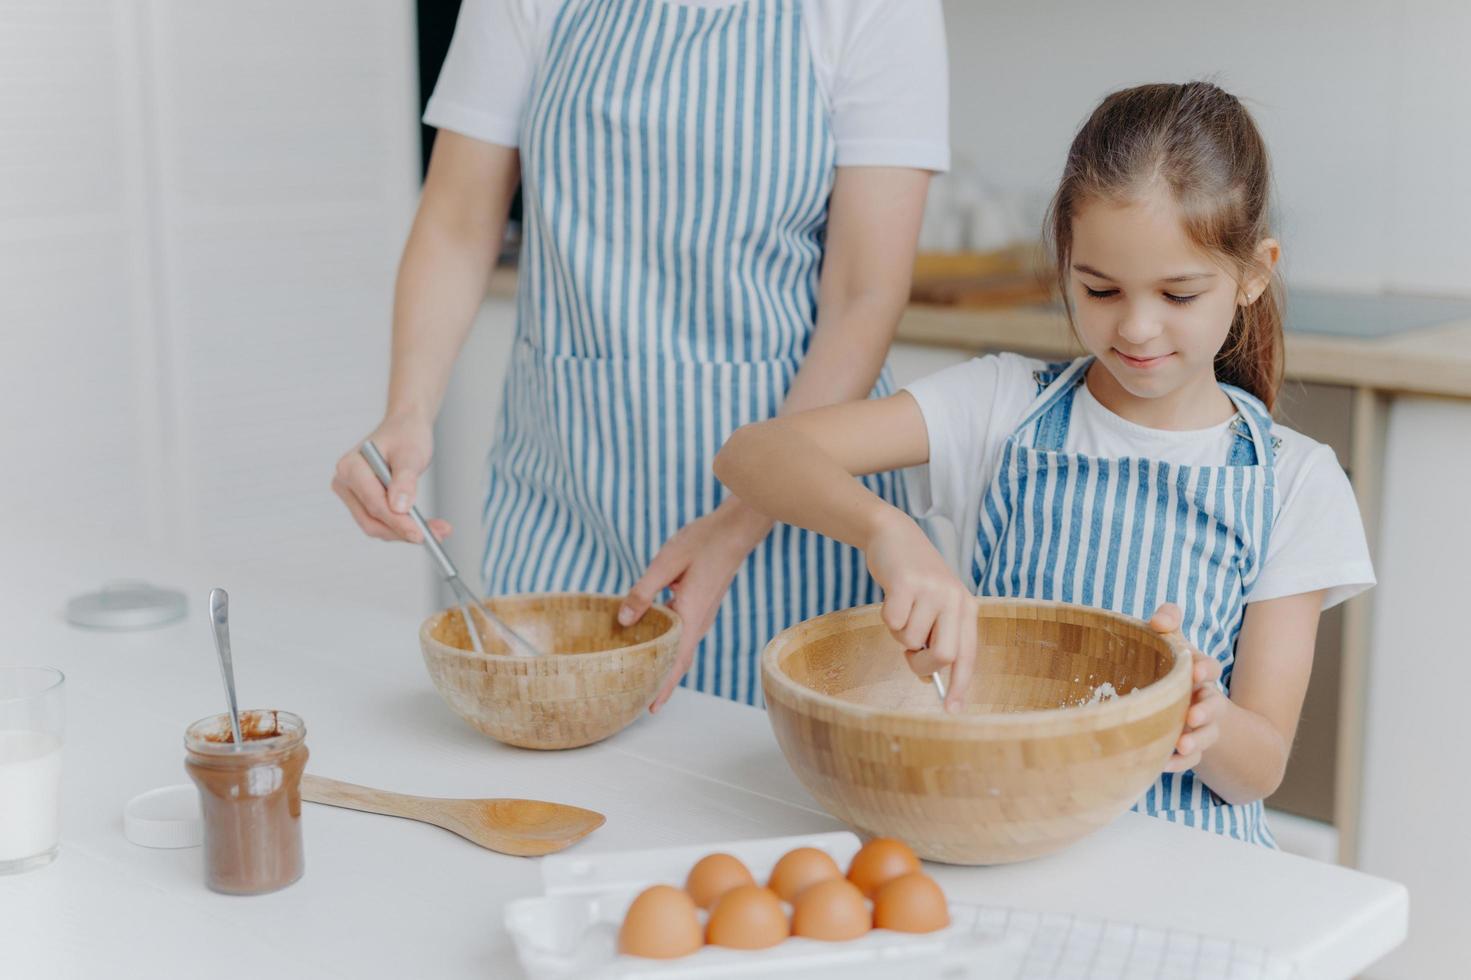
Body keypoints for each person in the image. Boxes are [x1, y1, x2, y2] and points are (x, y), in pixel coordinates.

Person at [714, 81, 1375, 845]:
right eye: (1099, 288)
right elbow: (753, 453)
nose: (1135, 325)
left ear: (1254, 273)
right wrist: (884, 530)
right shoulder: (1000, 405)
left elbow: (1257, 770)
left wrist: (1205, 718)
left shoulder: (1293, 481)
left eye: (1178, 294)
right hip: (1003, 839)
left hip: (1186, 872)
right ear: (1064, 259)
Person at [331, 0, 949, 709]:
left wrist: (741, 517)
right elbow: (457, 224)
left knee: (778, 785)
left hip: (793, 497)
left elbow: (861, 295)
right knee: (557, 780)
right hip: (564, 491)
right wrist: (406, 414)